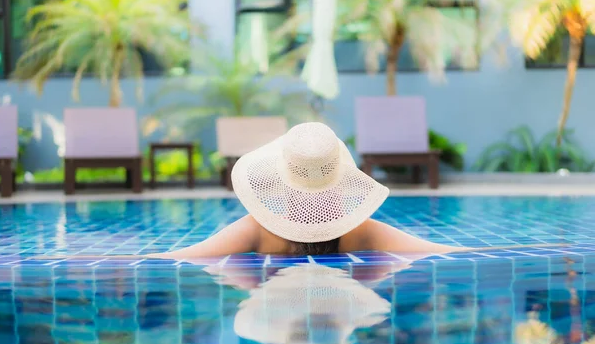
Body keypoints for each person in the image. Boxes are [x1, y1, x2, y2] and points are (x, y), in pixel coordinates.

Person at [150, 122, 464, 260]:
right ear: (339, 181)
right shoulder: (362, 233)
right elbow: (439, 252)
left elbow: (180, 258)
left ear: (282, 181)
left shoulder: (258, 232)